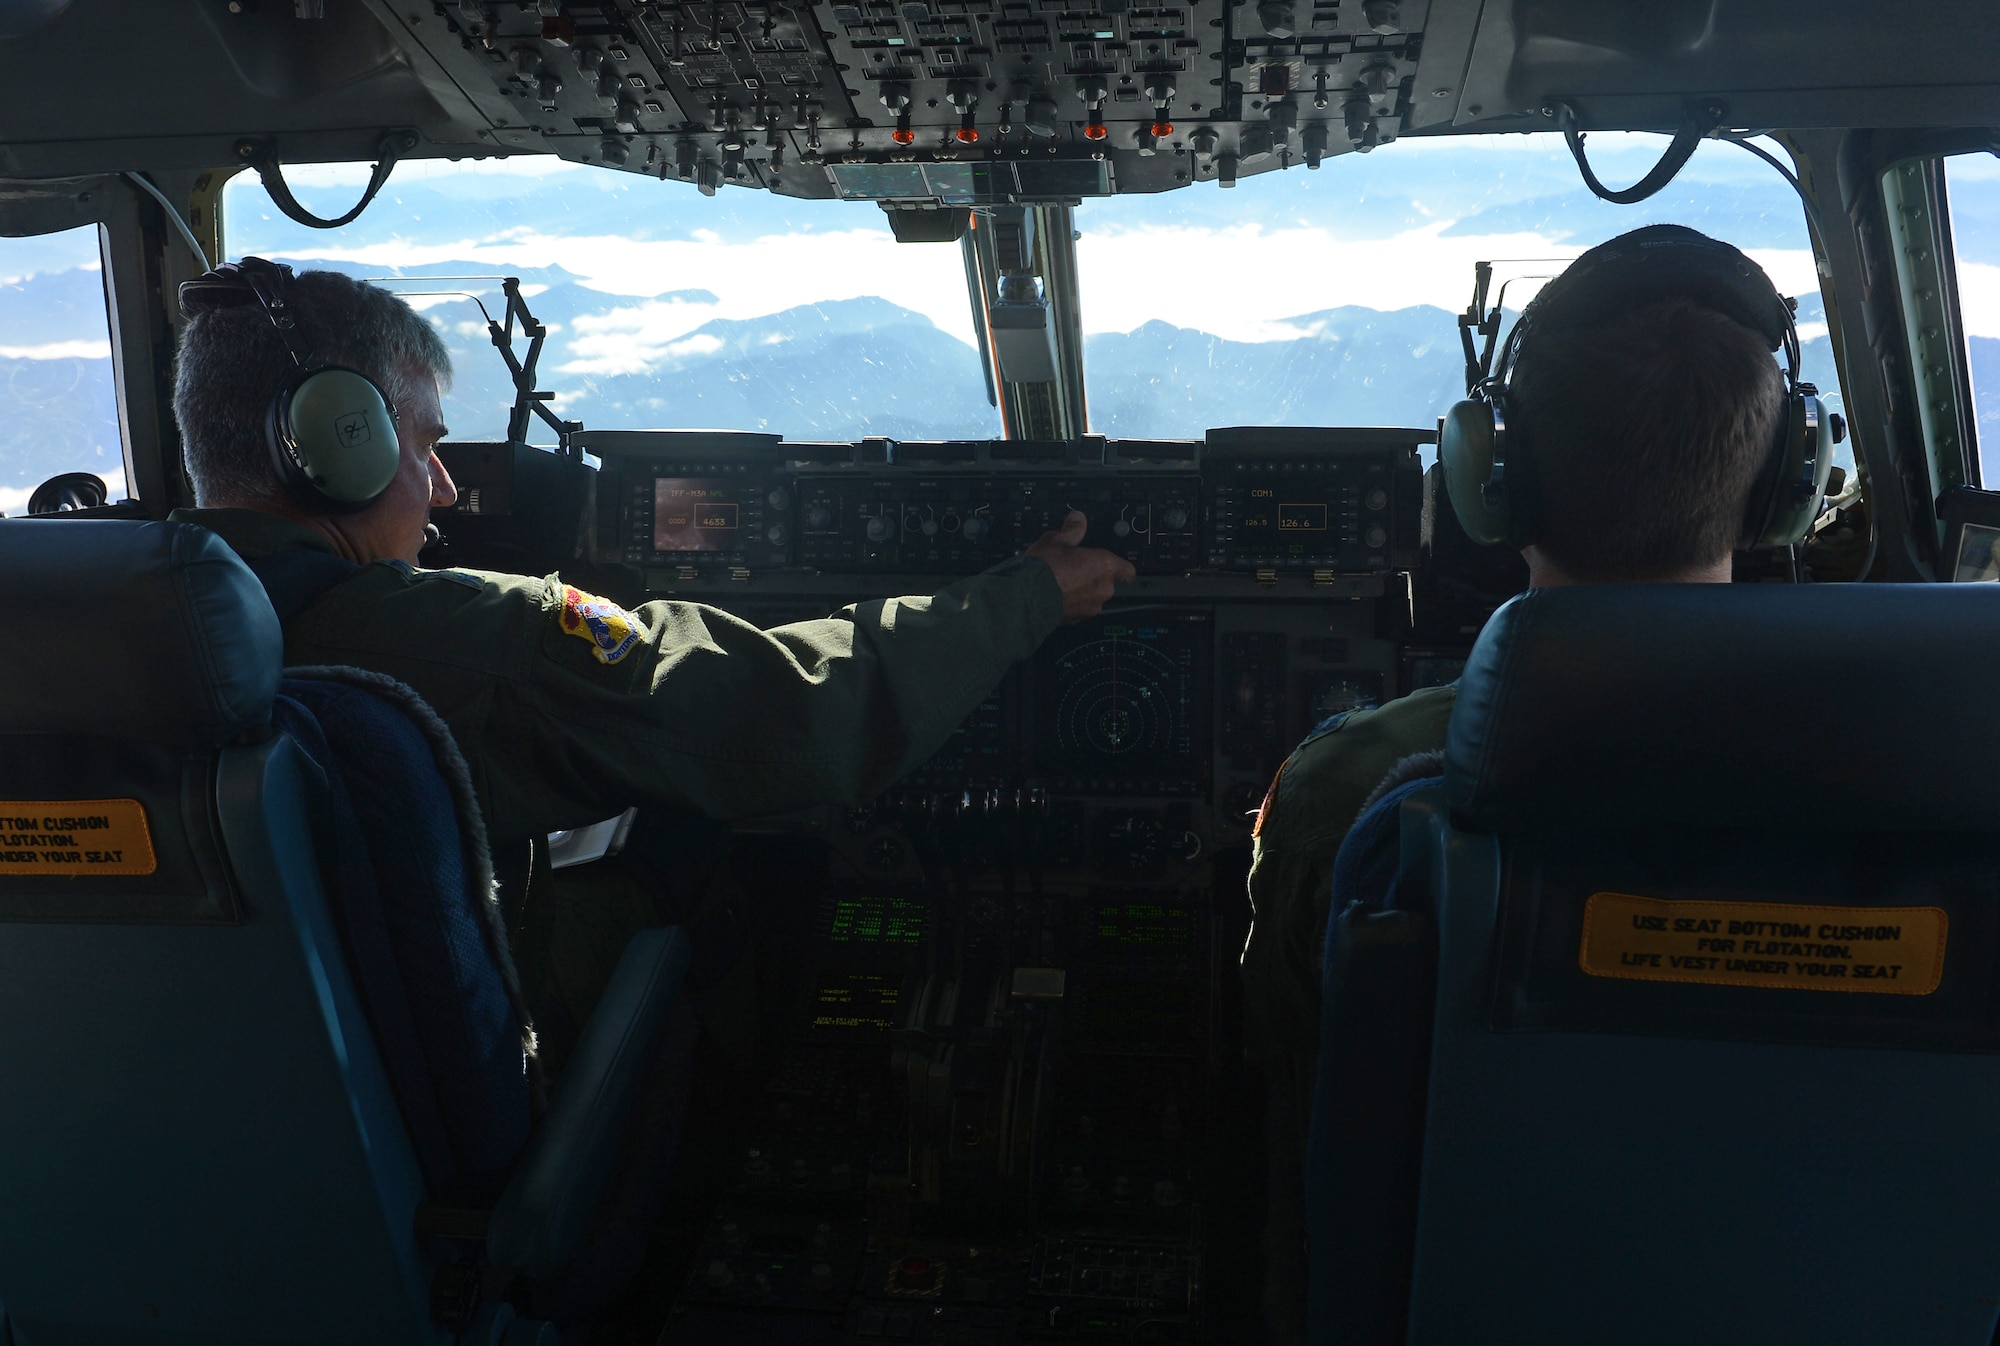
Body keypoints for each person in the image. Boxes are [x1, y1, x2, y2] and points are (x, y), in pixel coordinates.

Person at [167, 262, 1135, 1059]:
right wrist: (1028, 596)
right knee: (693, 856)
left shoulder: (57, 628)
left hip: (206, 1101)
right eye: (423, 446)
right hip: (431, 1142)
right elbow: (786, 716)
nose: (446, 489)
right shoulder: (451, 642)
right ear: (335, 448)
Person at [1241, 223, 1793, 1344]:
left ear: (1490, 480)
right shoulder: (1935, 773)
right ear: (1786, 481)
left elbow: (1290, 1069)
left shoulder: (1354, 785)